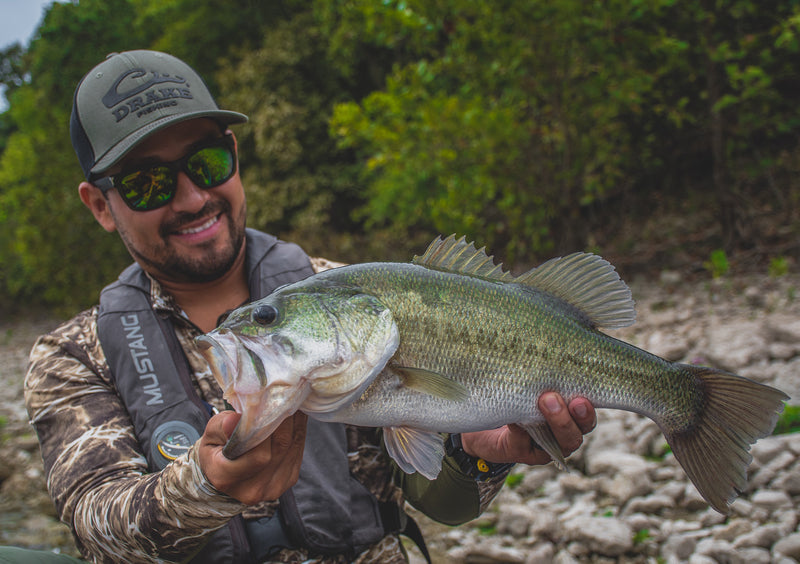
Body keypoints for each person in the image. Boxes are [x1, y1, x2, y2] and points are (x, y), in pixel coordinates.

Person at [5, 50, 596, 564]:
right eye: (146, 183)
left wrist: (477, 457)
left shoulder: (349, 299)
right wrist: (205, 487)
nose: (192, 197)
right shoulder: (73, 357)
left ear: (233, 155)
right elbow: (100, 528)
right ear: (101, 206)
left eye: (206, 162)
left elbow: (442, 503)